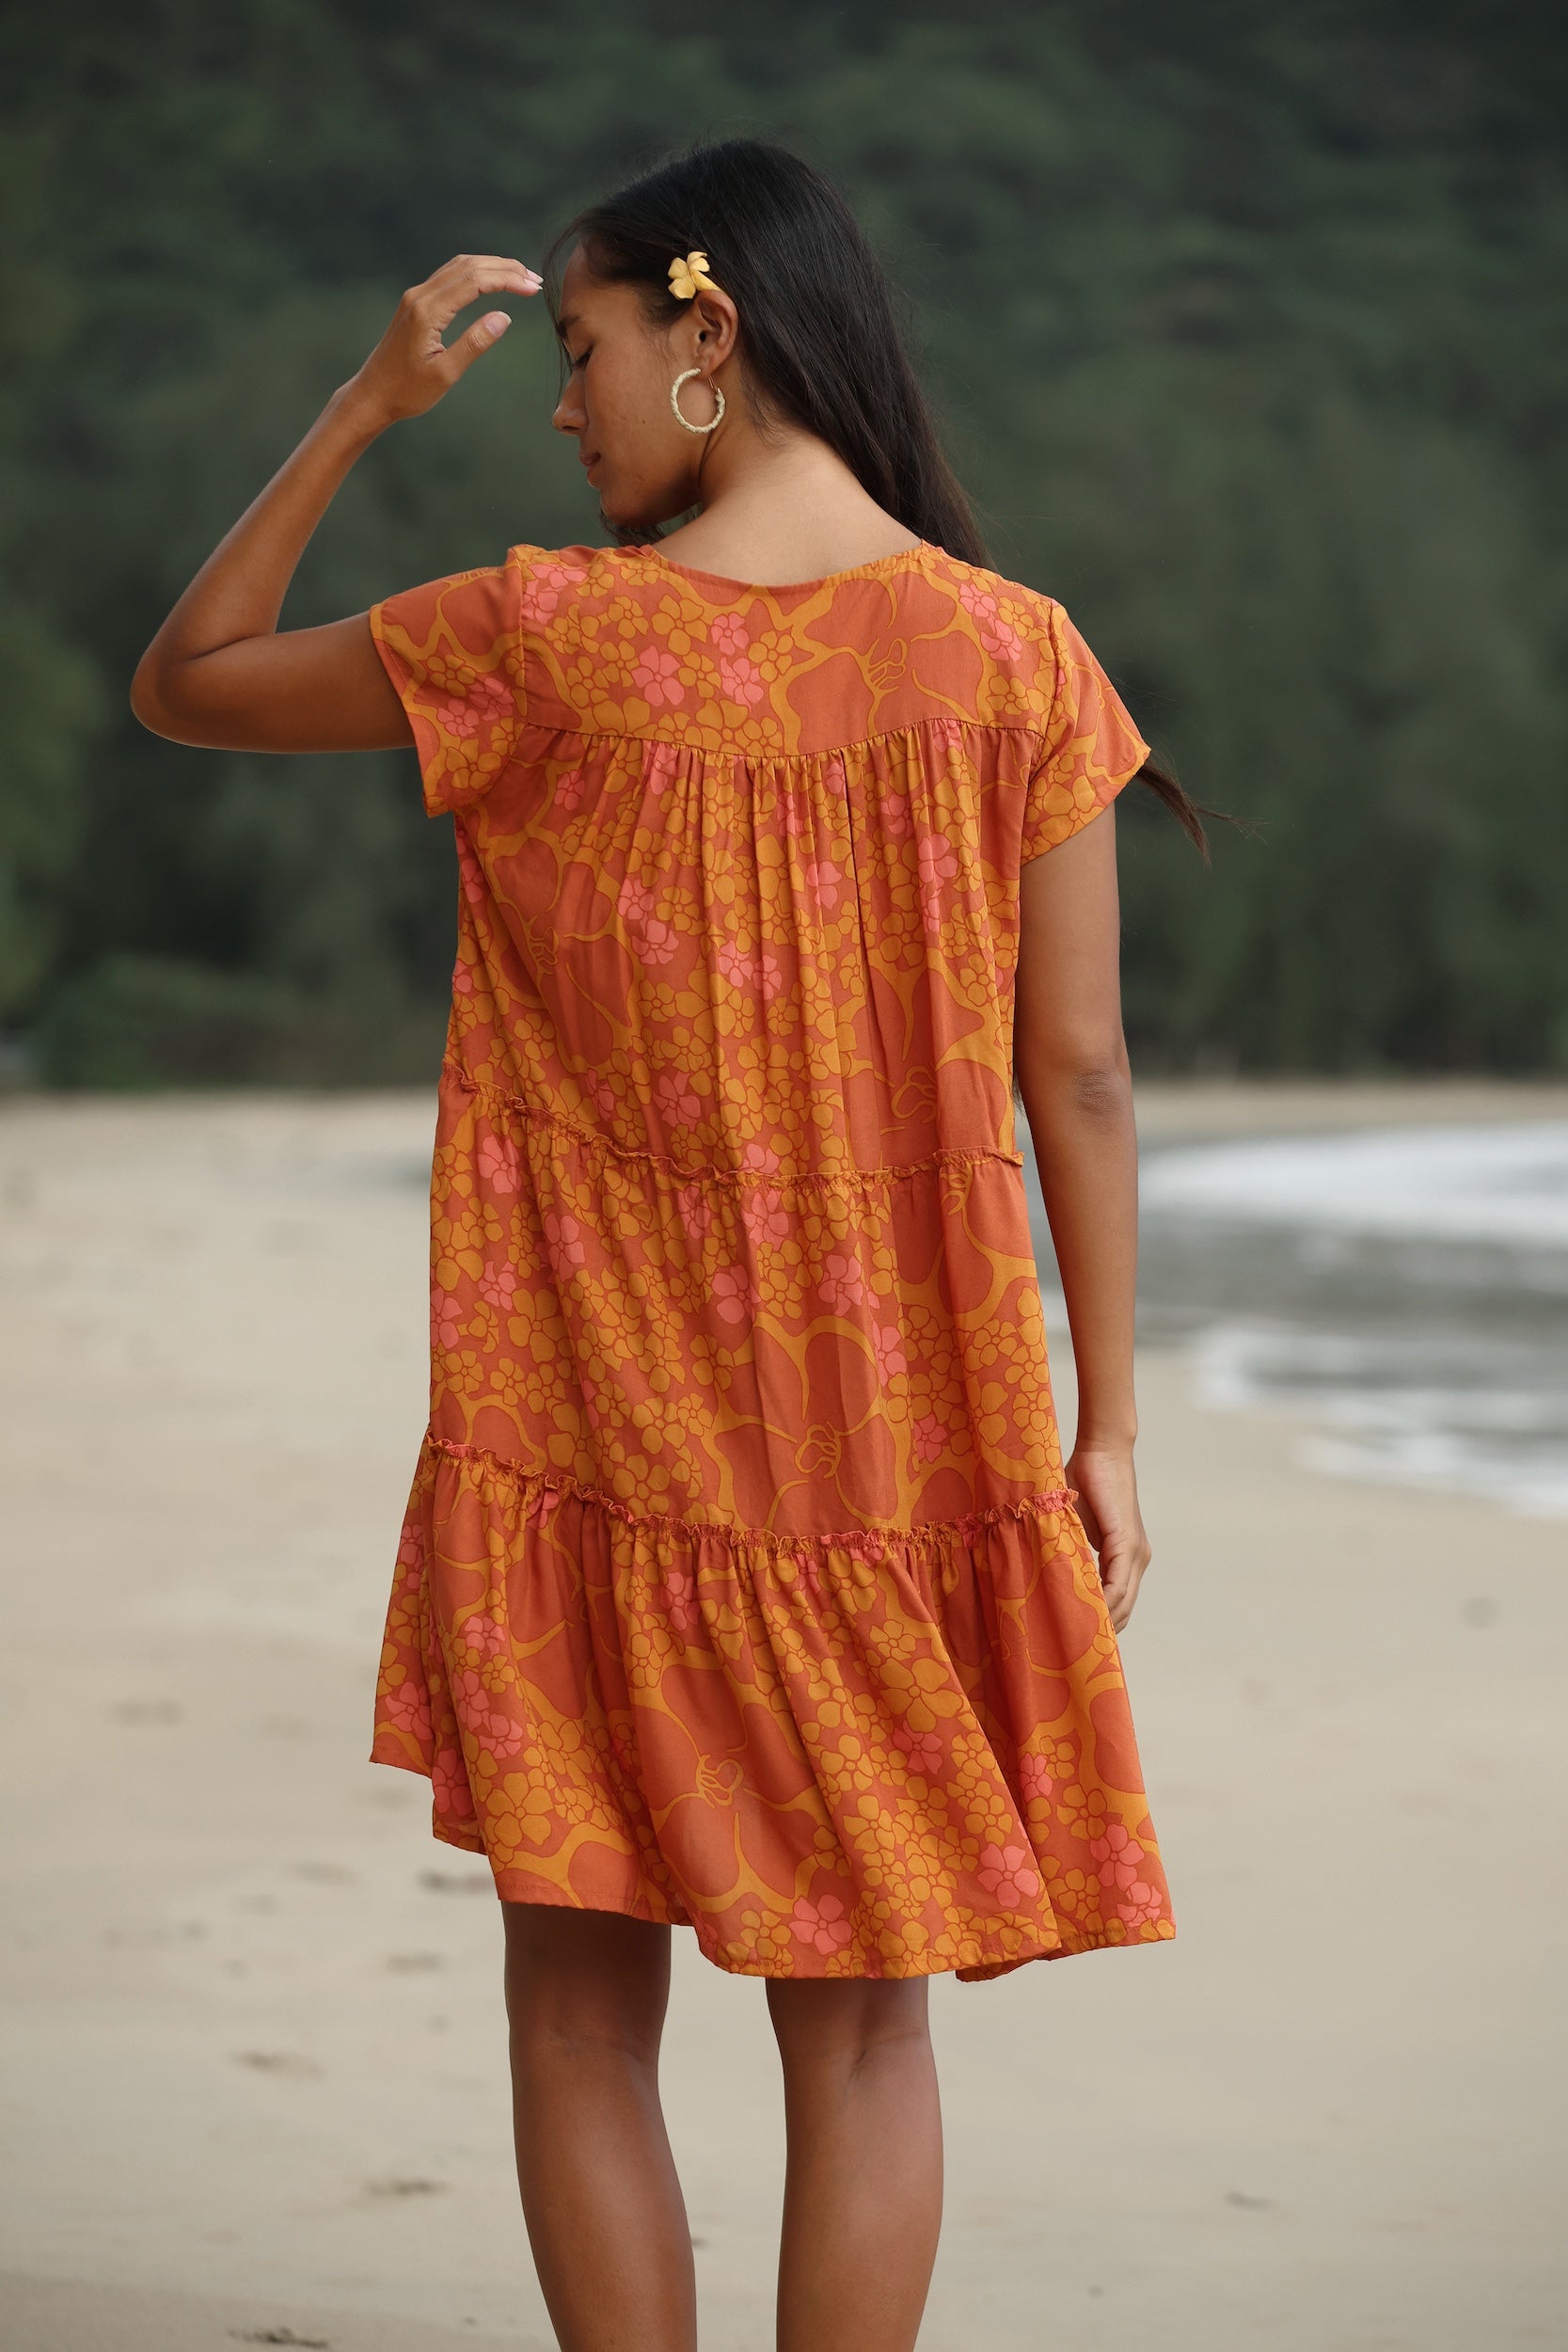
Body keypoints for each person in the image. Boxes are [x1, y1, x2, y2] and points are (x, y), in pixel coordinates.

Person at [134, 135, 1189, 2352]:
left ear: (712, 338)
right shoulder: (1023, 662)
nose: (560, 402)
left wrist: (357, 408)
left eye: (590, 349)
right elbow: (1077, 1076)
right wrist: (1107, 1425)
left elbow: (192, 676)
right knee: (868, 2037)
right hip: (896, 1453)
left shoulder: (539, 640)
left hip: (597, 1434)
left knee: (582, 2021)